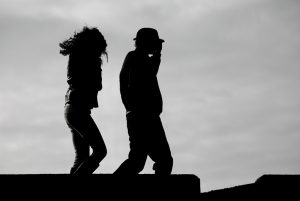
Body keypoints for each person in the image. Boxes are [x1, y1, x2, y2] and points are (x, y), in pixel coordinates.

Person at [114, 28, 173, 175]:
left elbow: (149, 71)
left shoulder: (138, 58)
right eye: (155, 42)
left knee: (139, 161)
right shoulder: (137, 58)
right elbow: (143, 80)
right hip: (144, 116)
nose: (157, 46)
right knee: (161, 160)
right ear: (146, 43)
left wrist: (157, 55)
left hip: (141, 115)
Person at [59, 26, 107, 174]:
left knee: (81, 156)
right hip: (78, 110)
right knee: (100, 151)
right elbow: (97, 85)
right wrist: (96, 68)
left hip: (71, 108)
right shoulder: (88, 60)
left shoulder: (76, 56)